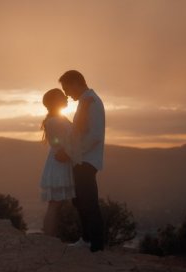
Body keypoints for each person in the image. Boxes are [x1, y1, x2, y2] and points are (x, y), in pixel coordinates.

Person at [55, 70, 105, 252]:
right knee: (81, 201)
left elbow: (95, 136)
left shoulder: (93, 102)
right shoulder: (85, 101)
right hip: (80, 159)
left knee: (89, 202)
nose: (67, 93)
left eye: (67, 88)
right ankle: (87, 239)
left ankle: (96, 246)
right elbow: (80, 133)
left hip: (87, 160)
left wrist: (70, 152)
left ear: (76, 82)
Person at [39, 88, 76, 237]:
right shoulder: (55, 120)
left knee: (56, 203)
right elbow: (61, 141)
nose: (66, 98)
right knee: (55, 203)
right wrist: (66, 151)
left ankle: (51, 236)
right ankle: (49, 237)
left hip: (59, 161)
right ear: (55, 101)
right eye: (62, 96)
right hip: (59, 163)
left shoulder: (56, 119)